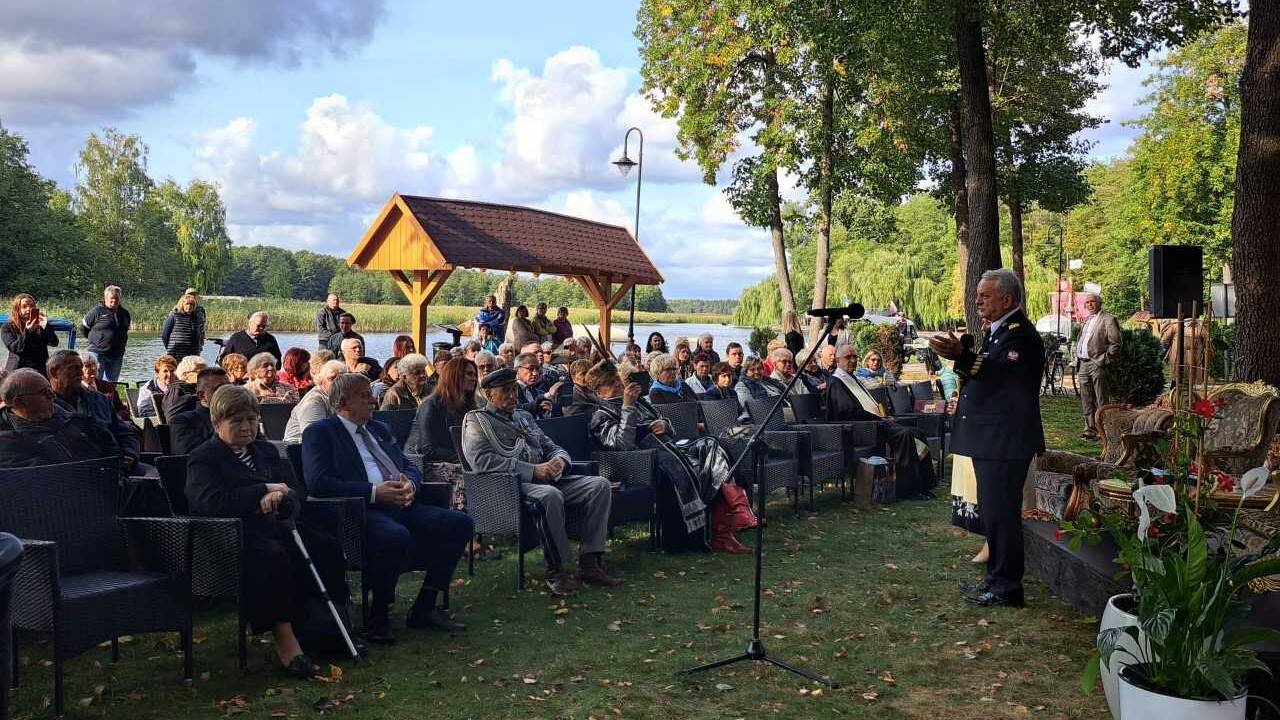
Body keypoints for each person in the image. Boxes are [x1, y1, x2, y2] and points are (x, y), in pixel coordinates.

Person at [186, 384, 354, 677]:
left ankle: (330, 627)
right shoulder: (204, 458)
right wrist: (261, 492)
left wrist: (281, 497)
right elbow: (209, 503)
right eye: (236, 421)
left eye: (251, 419)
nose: (246, 427)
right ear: (217, 423)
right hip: (233, 537)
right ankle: (287, 644)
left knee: (325, 545)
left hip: (279, 525)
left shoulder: (265, 450)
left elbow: (296, 491)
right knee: (271, 556)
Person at [302, 373, 473, 642]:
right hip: (360, 511)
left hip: (403, 503)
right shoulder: (321, 433)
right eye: (364, 396)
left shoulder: (379, 429)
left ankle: (425, 605)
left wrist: (411, 486)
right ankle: (378, 615)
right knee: (395, 536)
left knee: (460, 523)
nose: (373, 400)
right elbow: (318, 483)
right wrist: (373, 493)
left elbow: (408, 465)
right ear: (343, 402)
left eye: (371, 394)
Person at [929, 268, 1044, 608]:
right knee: (993, 513)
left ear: (1007, 299)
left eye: (985, 295)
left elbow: (999, 374)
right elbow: (984, 373)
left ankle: (1007, 587)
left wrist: (962, 355)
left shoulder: (1019, 334)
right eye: (978, 294)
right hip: (993, 439)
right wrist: (964, 357)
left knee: (1002, 514)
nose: (978, 300)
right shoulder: (997, 333)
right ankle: (995, 579)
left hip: (1005, 441)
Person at [462, 368, 618, 596]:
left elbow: (549, 445)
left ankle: (589, 562)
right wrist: (532, 470)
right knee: (549, 495)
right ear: (489, 394)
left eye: (514, 389)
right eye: (505, 391)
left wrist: (560, 461)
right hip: (509, 486)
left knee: (599, 486)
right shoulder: (477, 421)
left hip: (547, 477)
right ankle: (555, 570)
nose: (513, 395)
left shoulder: (523, 417)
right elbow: (481, 461)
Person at [825, 343, 937, 500]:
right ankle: (907, 489)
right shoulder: (836, 382)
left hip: (874, 422)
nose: (852, 360)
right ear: (838, 360)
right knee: (903, 435)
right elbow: (848, 411)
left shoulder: (852, 378)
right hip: (858, 429)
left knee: (917, 433)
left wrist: (883, 417)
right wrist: (879, 419)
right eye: (848, 357)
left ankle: (924, 484)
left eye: (854, 357)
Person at [0, 369, 120, 467]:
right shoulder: (7, 438)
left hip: (111, 475)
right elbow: (50, 477)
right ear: (20, 402)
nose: (52, 396)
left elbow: (106, 440)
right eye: (44, 393)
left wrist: (122, 462)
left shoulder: (65, 414)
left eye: (50, 390)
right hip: (79, 490)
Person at [47, 350, 140, 467]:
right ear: (54, 372)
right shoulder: (44, 407)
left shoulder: (100, 400)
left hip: (114, 465)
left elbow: (127, 432)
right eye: (73, 368)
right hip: (71, 472)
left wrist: (129, 454)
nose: (80, 372)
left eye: (80, 367)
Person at [408, 358, 478, 510]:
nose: (474, 378)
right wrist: (464, 458)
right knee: (468, 475)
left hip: (460, 460)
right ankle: (463, 522)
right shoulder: (432, 405)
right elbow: (428, 449)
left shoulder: (468, 406)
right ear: (454, 376)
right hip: (426, 465)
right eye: (469, 374)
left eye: (474, 374)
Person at [1074, 293, 1122, 441]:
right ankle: (1090, 429)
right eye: (1087, 302)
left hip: (1097, 363)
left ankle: (1105, 430)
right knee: (1086, 398)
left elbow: (1116, 343)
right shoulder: (1087, 320)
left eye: (1092, 301)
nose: (1089, 304)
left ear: (1099, 303)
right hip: (1082, 364)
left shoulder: (1108, 319)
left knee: (1101, 398)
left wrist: (1105, 359)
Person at [169, 367, 231, 455]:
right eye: (219, 389)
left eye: (229, 388)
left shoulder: (244, 416)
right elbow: (185, 455)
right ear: (202, 396)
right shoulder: (183, 421)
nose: (228, 393)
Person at [284, 360, 348, 444]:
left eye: (342, 378)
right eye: (332, 378)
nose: (338, 382)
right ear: (321, 381)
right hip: (298, 449)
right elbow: (315, 436)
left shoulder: (340, 398)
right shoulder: (314, 401)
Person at [80, 285, 131, 382]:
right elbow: (83, 327)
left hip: (117, 355)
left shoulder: (125, 313)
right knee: (95, 381)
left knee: (111, 385)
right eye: (112, 298)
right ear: (105, 298)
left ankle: (110, 397)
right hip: (98, 353)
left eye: (117, 298)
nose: (114, 301)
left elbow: (125, 330)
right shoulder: (97, 311)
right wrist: (96, 340)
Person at [3, 294, 58, 374]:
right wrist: (27, 332)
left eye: (32, 306)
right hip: (17, 371)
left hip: (40, 370)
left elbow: (54, 342)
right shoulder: (8, 327)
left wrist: (46, 326)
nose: (29, 309)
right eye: (24, 306)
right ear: (17, 309)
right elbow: (15, 348)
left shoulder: (40, 324)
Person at [78, 354, 131, 421]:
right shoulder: (76, 390)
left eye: (95, 365)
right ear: (79, 370)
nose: (94, 368)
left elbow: (121, 409)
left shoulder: (107, 386)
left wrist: (118, 418)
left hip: (115, 425)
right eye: (88, 366)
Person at [161, 290, 207, 361]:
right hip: (175, 352)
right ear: (182, 304)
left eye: (191, 305)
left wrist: (198, 350)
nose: (189, 306)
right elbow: (165, 334)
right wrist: (170, 348)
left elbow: (198, 334)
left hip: (192, 353)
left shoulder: (197, 317)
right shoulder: (174, 315)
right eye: (187, 304)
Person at [514, 352, 563, 418]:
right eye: (531, 369)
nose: (535, 373)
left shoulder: (537, 391)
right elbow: (518, 410)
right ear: (517, 370)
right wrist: (547, 395)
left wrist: (552, 409)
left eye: (537, 369)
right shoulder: (512, 391)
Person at [163, 355, 208, 420]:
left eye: (206, 372)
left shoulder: (196, 389)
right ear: (185, 374)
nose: (206, 375)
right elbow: (173, 419)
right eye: (200, 372)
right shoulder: (177, 391)